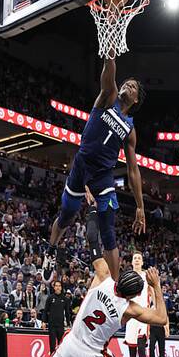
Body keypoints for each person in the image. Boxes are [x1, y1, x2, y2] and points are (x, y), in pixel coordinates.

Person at [16, 188, 167, 357]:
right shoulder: (130, 309)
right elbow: (161, 319)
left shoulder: (103, 278)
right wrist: (157, 286)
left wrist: (93, 210)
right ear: (135, 295)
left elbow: (92, 239)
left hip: (69, 345)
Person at [48, 55, 147, 281]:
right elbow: (109, 71)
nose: (126, 86)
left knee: (108, 233)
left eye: (132, 87)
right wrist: (110, 52)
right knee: (66, 215)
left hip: (102, 176)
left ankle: (115, 288)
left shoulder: (130, 129)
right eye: (126, 82)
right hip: (81, 166)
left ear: (135, 100)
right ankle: (51, 249)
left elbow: (133, 170)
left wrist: (140, 206)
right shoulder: (108, 97)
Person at [124, 252, 152, 357]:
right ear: (132, 261)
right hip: (131, 316)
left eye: (139, 258)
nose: (136, 260)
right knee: (131, 350)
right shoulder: (127, 276)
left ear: (142, 262)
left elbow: (153, 293)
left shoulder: (147, 276)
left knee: (141, 349)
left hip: (143, 315)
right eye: (134, 258)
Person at [44, 280, 71, 353]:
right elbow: (46, 310)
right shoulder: (50, 298)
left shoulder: (65, 299)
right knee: (52, 345)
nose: (58, 287)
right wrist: (43, 321)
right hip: (52, 324)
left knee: (61, 345)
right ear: (54, 287)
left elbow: (67, 313)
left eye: (59, 286)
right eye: (56, 286)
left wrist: (68, 324)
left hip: (60, 325)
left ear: (61, 288)